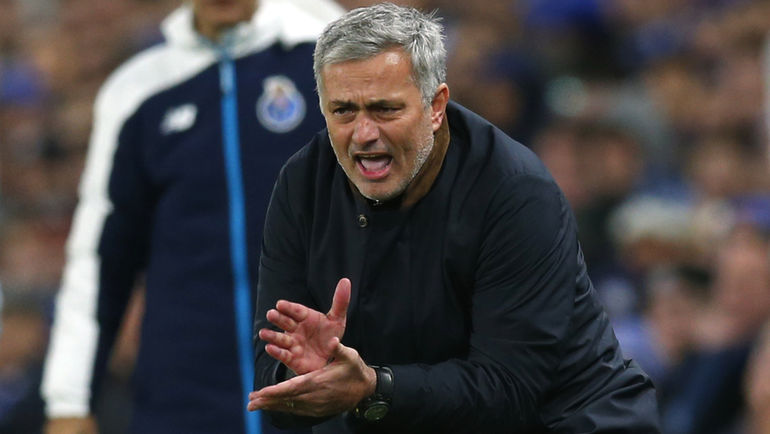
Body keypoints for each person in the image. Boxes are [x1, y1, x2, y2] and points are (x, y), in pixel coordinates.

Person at [249, 3, 660, 433]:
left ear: (436, 106)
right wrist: (304, 373)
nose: (364, 134)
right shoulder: (303, 185)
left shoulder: (515, 192)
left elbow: (510, 390)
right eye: (343, 111)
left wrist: (373, 388)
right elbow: (271, 388)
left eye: (385, 109)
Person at [41, 0, 343, 433]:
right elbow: (100, 257)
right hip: (183, 399)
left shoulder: (331, 59)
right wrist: (69, 401)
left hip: (330, 390)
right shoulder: (137, 91)